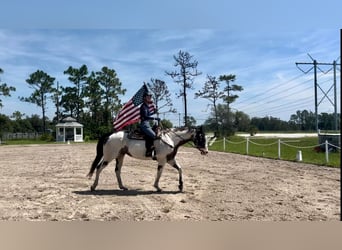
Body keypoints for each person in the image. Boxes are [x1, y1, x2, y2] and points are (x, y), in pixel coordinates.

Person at [140, 92, 160, 157]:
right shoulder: (143, 106)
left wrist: (154, 112)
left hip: (148, 124)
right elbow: (145, 116)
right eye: (148, 96)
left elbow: (148, 115)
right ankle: (148, 151)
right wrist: (155, 118)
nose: (150, 98)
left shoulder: (146, 106)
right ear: (144, 98)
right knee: (154, 136)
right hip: (144, 125)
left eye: (150, 97)